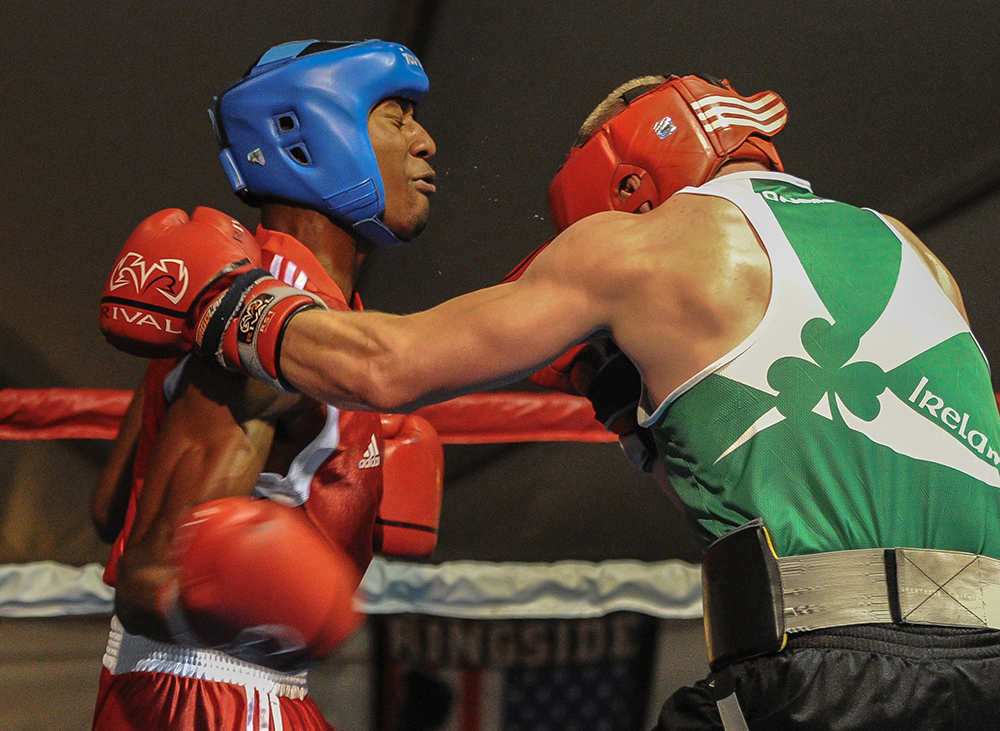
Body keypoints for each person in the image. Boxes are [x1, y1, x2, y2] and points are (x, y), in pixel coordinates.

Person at [103, 71, 1000, 729]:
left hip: (816, 680)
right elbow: (773, 492)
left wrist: (226, 302)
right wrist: (626, 409)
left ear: (627, 187)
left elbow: (386, 365)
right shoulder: (914, 253)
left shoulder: (641, 246)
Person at [92, 39, 444, 731]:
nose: (426, 142)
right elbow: (149, 575)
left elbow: (110, 507)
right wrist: (285, 591)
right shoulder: (279, 331)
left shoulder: (231, 293)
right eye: (396, 117)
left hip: (212, 688)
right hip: (208, 691)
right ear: (309, 135)